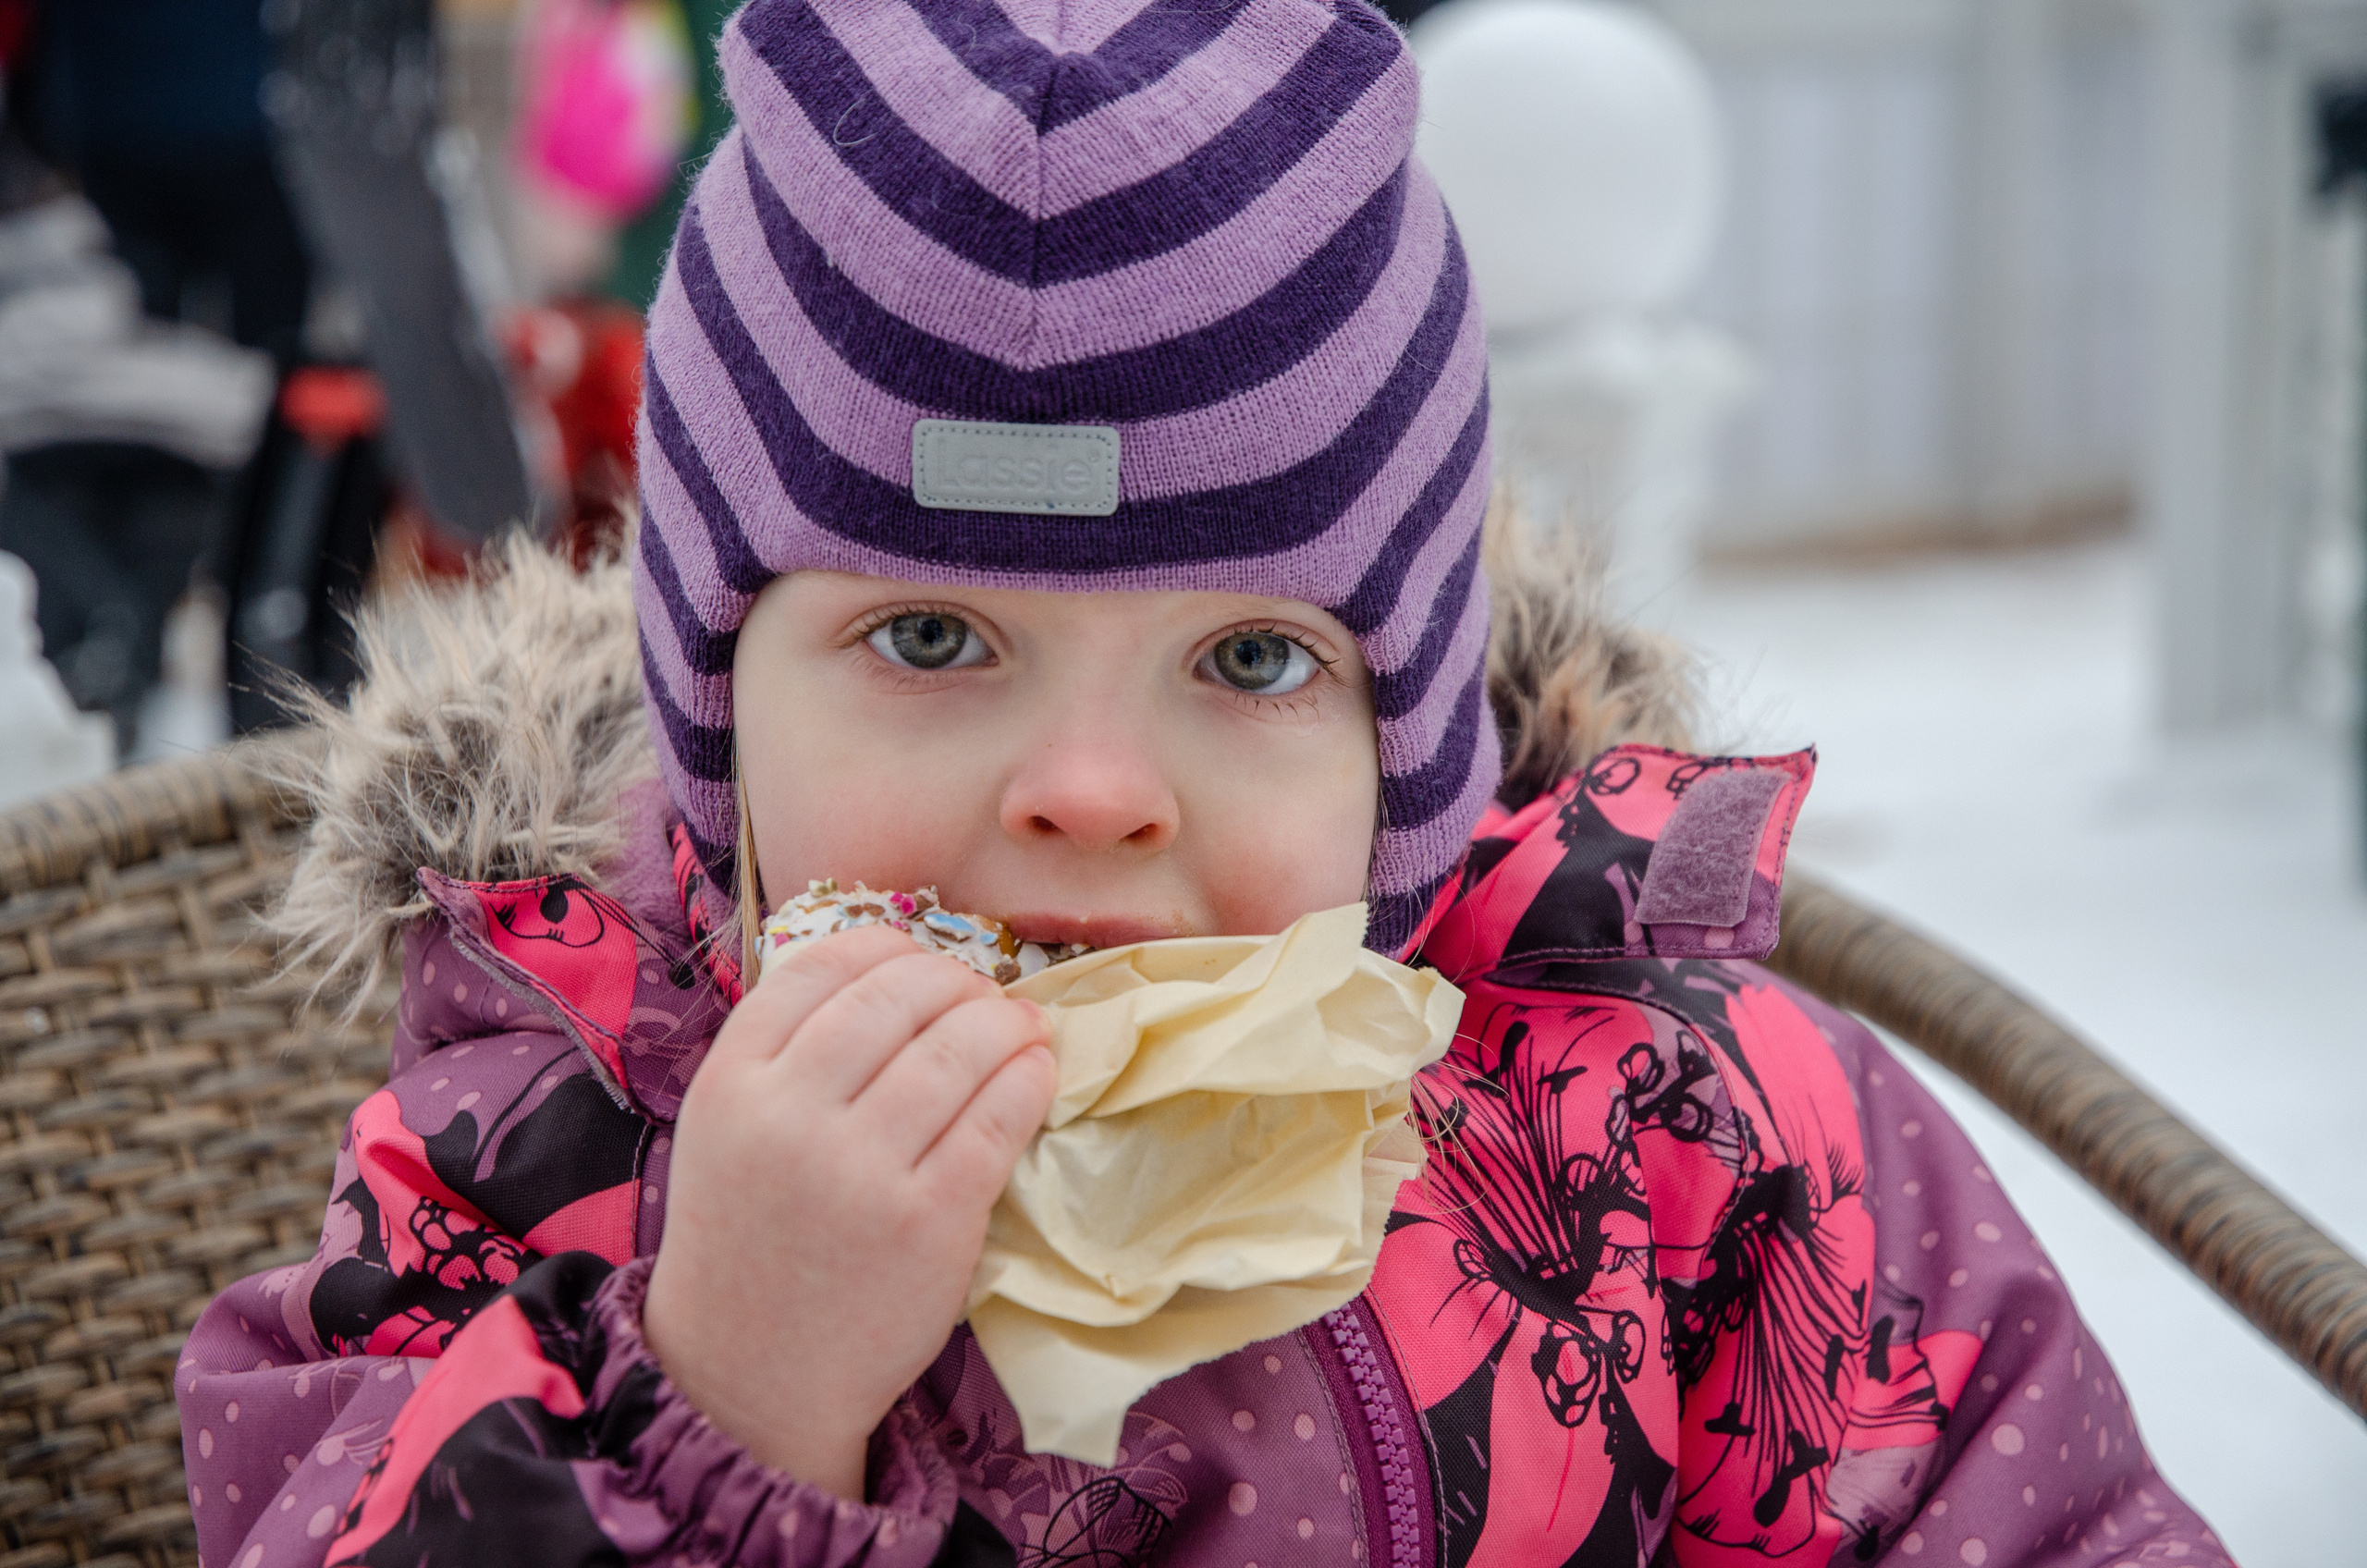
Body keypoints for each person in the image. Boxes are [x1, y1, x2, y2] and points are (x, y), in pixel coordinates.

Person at [177, 4, 2233, 1565]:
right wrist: (727, 1393)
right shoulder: (521, 1158)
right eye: (927, 639)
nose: (1087, 789)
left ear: (1402, 749)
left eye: (1249, 657)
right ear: (716, 717)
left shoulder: (1694, 1139)